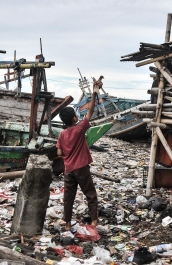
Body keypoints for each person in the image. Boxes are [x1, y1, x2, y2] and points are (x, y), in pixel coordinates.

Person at [56, 79, 103, 231]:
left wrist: (67, 158)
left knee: (68, 198)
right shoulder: (80, 128)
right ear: (75, 118)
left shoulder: (62, 134)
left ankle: (68, 224)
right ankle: (94, 221)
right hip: (81, 168)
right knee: (90, 194)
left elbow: (59, 153)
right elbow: (90, 112)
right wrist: (95, 94)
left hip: (68, 169)